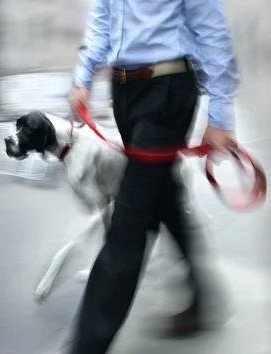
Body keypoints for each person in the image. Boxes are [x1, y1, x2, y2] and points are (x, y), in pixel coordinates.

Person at [64, 0, 238, 352]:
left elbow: (212, 30)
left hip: (167, 88)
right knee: (161, 197)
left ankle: (86, 345)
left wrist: (219, 115)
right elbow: (102, 17)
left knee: (129, 216)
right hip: (124, 89)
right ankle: (203, 301)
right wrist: (83, 77)